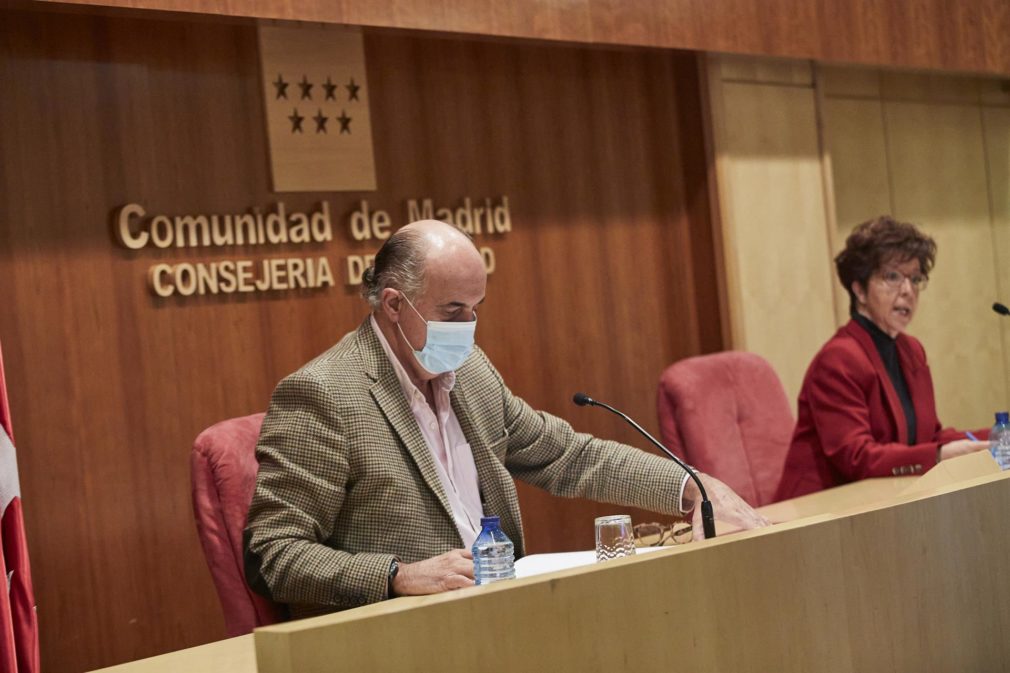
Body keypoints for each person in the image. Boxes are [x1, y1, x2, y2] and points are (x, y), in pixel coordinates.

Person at [244, 219, 769, 618]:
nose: (469, 327)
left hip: (502, 611)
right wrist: (397, 575)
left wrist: (687, 486)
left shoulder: (470, 371)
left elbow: (566, 456)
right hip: (406, 634)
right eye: (453, 311)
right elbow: (273, 556)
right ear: (394, 305)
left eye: (477, 307)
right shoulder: (323, 395)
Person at [775, 216, 991, 500]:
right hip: (817, 514)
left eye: (915, 279)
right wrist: (939, 454)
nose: (907, 290)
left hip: (878, 503)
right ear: (859, 289)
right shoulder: (838, 359)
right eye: (892, 277)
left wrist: (998, 436)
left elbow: (928, 437)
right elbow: (857, 457)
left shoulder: (911, 350)